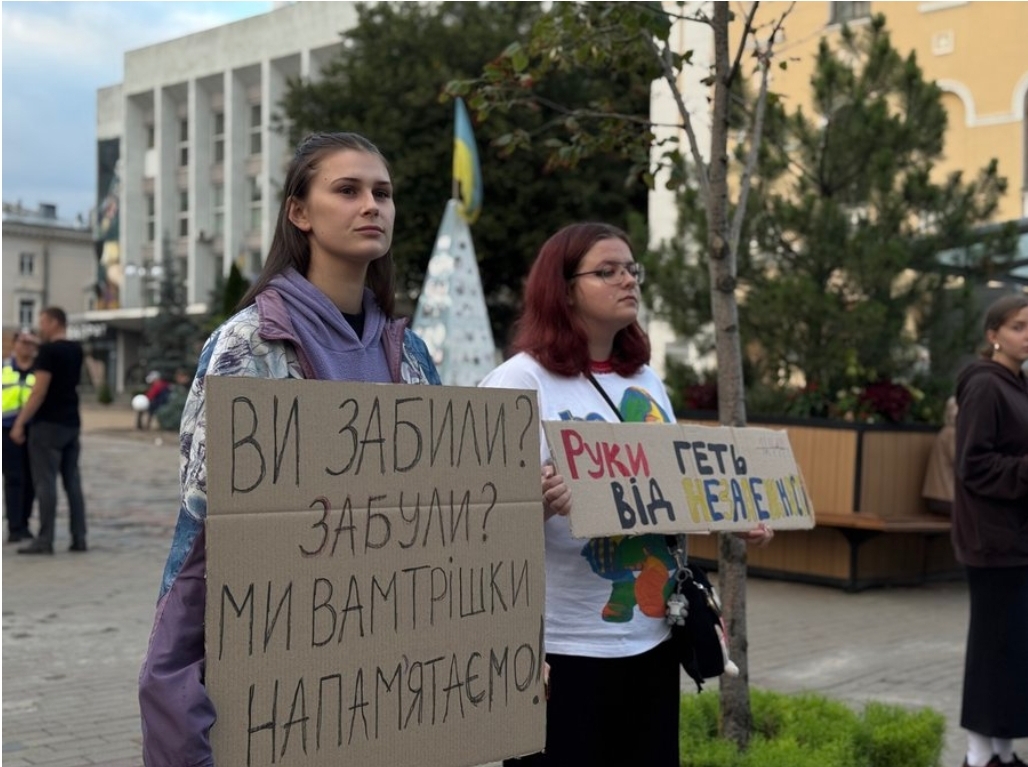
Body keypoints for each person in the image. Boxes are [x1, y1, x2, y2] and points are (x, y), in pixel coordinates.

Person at [137, 131, 440, 766]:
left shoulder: (410, 356)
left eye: (383, 193)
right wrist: (177, 716)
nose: (372, 207)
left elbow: (440, 523)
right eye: (348, 190)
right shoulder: (248, 348)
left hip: (388, 692)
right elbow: (203, 544)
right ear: (299, 212)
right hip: (282, 698)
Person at [479, 222, 772, 767]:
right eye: (606, 271)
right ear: (564, 289)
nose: (627, 280)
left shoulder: (645, 381)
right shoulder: (518, 383)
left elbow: (669, 485)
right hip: (565, 647)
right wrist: (544, 501)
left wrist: (732, 511)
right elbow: (481, 520)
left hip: (652, 635)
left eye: (631, 269)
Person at [952, 293, 1028, 767]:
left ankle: (1003, 751)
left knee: (1012, 652)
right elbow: (974, 466)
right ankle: (978, 757)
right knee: (992, 652)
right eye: (1019, 326)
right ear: (993, 335)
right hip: (993, 542)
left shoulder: (1016, 384)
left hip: (1017, 541)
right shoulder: (984, 385)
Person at [11, 307, 87, 555]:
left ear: (54, 322)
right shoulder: (75, 350)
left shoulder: (47, 352)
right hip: (71, 422)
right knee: (72, 482)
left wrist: (21, 422)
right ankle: (79, 537)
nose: (39, 326)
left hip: (47, 426)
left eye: (42, 321)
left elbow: (39, 391)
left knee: (45, 483)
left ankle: (45, 540)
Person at [3, 328, 39, 542]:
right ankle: (14, 527)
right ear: (14, 344)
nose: (26, 346)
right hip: (7, 429)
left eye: (30, 342)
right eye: (22, 342)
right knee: (13, 478)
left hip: (33, 429)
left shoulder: (40, 370)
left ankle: (24, 523)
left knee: (31, 480)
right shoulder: (4, 368)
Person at [922, 395, 958, 515]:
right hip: (946, 497)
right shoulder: (953, 434)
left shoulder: (946, 432)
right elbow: (961, 463)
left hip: (938, 496)